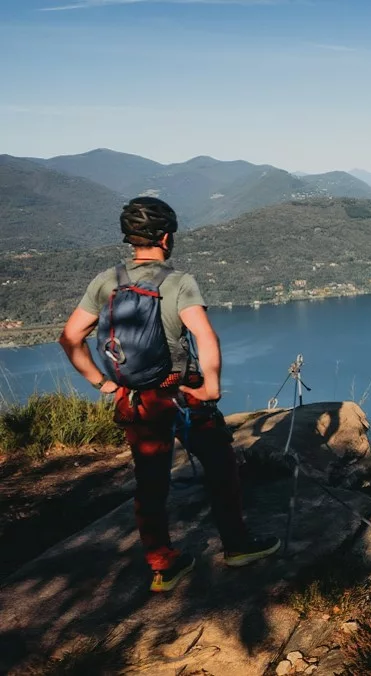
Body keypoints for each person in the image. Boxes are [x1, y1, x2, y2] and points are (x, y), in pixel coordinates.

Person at [58, 197, 279, 593]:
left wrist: (104, 383)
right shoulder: (178, 282)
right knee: (220, 465)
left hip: (136, 401)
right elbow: (204, 336)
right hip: (180, 395)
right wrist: (210, 386)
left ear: (131, 238)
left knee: (150, 480)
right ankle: (236, 546)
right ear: (166, 237)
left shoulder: (106, 281)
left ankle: (163, 565)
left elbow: (71, 337)